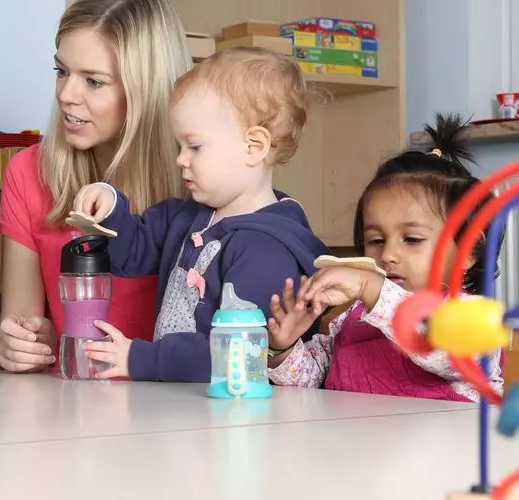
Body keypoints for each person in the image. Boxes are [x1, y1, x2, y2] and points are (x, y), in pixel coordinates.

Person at [73, 47, 329, 382]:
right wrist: (110, 207)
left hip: (238, 415)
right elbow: (131, 254)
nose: (181, 159)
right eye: (180, 146)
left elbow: (237, 353)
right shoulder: (184, 215)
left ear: (254, 146)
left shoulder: (267, 249)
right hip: (185, 403)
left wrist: (143, 358)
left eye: (195, 146)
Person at [0, 0, 192, 372]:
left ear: (145, 91)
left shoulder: (199, 181)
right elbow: (23, 326)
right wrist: (27, 345)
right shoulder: (27, 172)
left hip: (178, 410)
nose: (67, 94)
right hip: (73, 408)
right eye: (61, 71)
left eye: (94, 81)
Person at [266, 113, 505, 402]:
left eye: (413, 240)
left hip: (446, 447)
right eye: (376, 240)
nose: (388, 255)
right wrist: (285, 348)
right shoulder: (353, 318)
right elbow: (314, 382)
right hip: (353, 443)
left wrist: (373, 289)